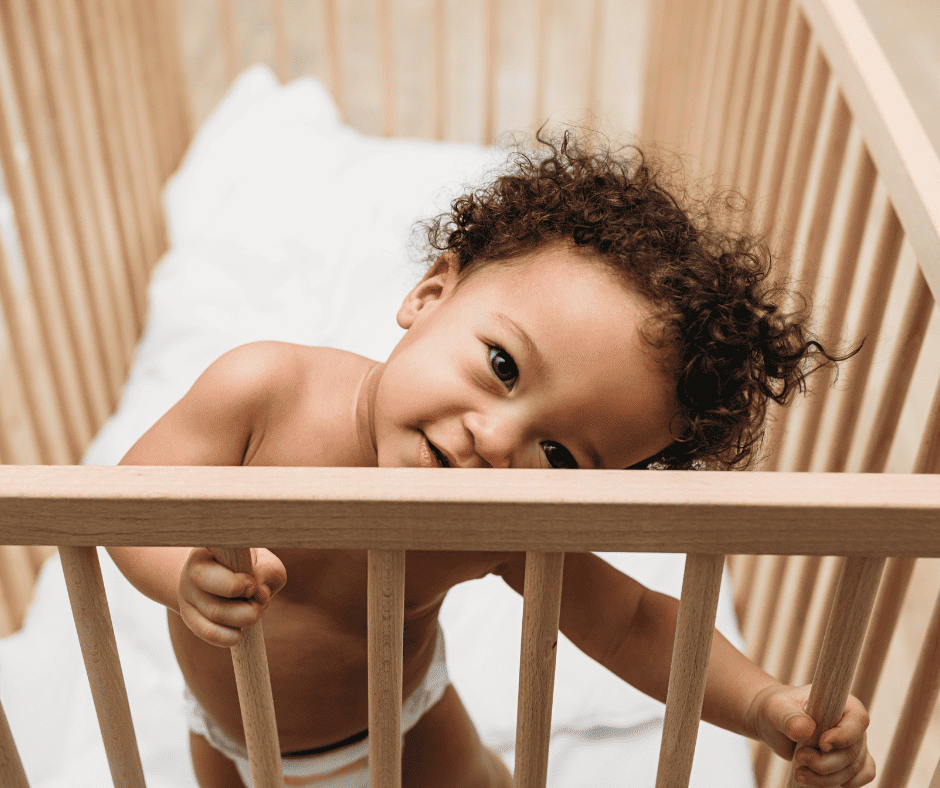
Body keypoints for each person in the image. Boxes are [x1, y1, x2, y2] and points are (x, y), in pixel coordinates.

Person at [108, 134, 875, 788]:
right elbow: (126, 502)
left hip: (405, 729)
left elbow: (634, 623)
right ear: (430, 293)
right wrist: (180, 570)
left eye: (561, 455)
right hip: (231, 737)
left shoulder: (504, 517)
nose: (499, 442)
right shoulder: (267, 391)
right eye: (504, 366)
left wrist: (765, 705)